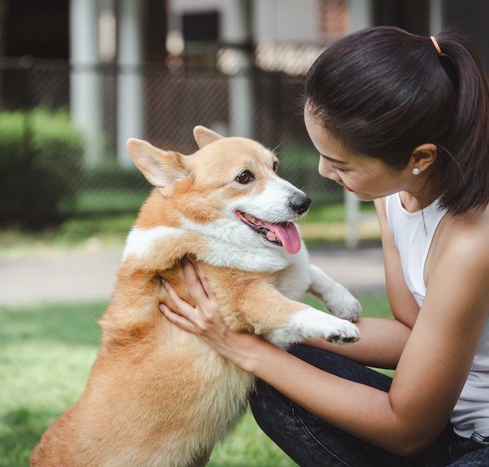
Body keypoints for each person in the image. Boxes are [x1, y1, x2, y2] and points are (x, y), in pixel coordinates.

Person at [159, 26, 489, 466]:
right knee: (276, 374)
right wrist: (258, 323)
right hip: (449, 427)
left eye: (341, 164)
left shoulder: (472, 241)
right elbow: (413, 333)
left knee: (266, 364)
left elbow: (407, 430)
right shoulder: (396, 199)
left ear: (420, 159)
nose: (323, 172)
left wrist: (245, 348)